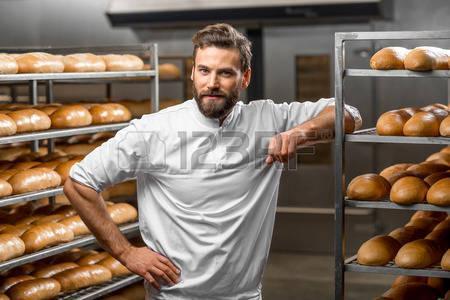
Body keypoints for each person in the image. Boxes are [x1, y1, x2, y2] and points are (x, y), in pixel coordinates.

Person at [64, 23, 361, 299]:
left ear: (245, 77)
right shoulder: (154, 130)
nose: (212, 83)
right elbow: (79, 183)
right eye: (204, 71)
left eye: (225, 73)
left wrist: (300, 133)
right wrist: (127, 253)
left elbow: (350, 115)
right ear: (193, 73)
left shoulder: (268, 118)